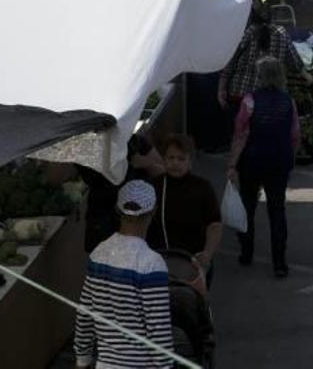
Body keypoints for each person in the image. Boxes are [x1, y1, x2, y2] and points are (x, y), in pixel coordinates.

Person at [74, 180, 173, 369]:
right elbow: (158, 332)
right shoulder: (152, 264)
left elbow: (84, 315)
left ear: (118, 211)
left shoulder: (98, 254)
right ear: (153, 212)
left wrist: (82, 360)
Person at [228, 57, 300, 278]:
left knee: (248, 206)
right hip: (279, 160)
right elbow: (294, 135)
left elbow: (240, 134)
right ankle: (279, 262)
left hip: (252, 160)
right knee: (277, 210)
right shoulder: (288, 101)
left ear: (259, 77)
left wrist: (232, 164)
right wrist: (290, 159)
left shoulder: (250, 101)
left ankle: (247, 252)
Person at [147, 135, 222, 287]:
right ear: (164, 159)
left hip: (194, 263)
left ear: (190, 160)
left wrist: (207, 254)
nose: (175, 163)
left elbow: (214, 224)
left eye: (181, 159)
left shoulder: (202, 188)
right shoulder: (153, 187)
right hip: (160, 263)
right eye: (171, 157)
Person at [78, 134, 165, 253]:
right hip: (102, 220)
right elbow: (56, 177)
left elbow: (163, 170)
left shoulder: (134, 141)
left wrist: (143, 162)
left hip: (134, 217)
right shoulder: (84, 147)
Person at [218, 8, 313, 117]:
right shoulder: (281, 33)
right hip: (269, 99)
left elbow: (231, 61)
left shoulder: (247, 32)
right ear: (272, 18)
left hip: (240, 93)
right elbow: (295, 63)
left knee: (239, 129)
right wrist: (307, 76)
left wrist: (221, 89)